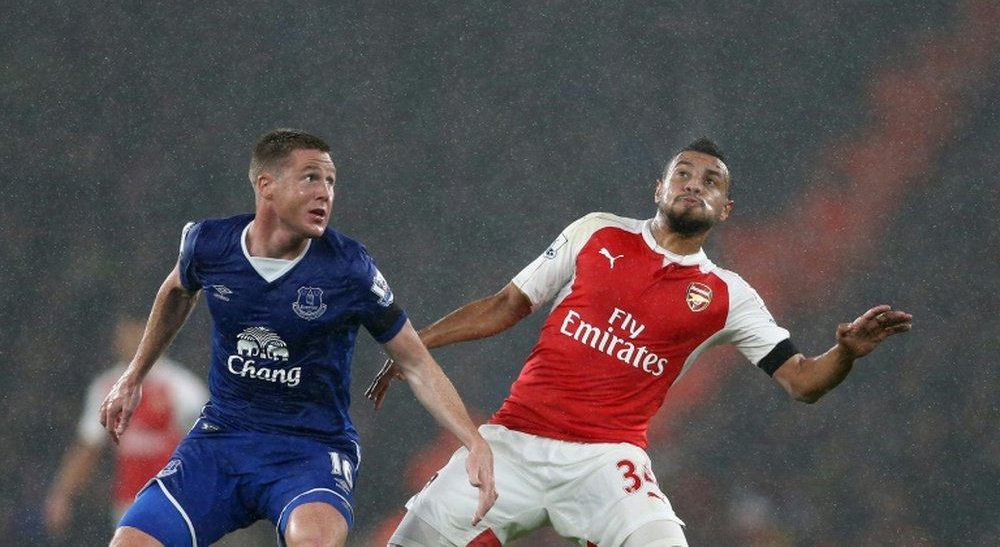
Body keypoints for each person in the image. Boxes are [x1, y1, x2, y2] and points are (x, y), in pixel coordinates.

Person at [367, 137, 913, 547]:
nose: (694, 184)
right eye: (683, 173)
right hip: (512, 442)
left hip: (609, 460)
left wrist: (843, 353)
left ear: (725, 209)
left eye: (711, 181)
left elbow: (801, 382)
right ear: (659, 188)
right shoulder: (596, 231)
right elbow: (506, 304)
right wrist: (413, 345)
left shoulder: (729, 295)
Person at [99, 128, 497, 547]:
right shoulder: (209, 245)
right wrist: (133, 375)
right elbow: (178, 291)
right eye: (311, 177)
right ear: (266, 186)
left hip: (310, 450)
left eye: (330, 181)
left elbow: (415, 361)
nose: (325, 192)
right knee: (130, 541)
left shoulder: (349, 268)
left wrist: (473, 440)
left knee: (313, 541)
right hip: (222, 440)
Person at [44, 317, 208, 539]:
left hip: (173, 500)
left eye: (134, 334)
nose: (127, 342)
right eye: (122, 336)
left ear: (152, 335)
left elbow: (208, 445)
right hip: (127, 501)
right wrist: (63, 494)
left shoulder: (182, 389)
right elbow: (88, 447)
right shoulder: (106, 388)